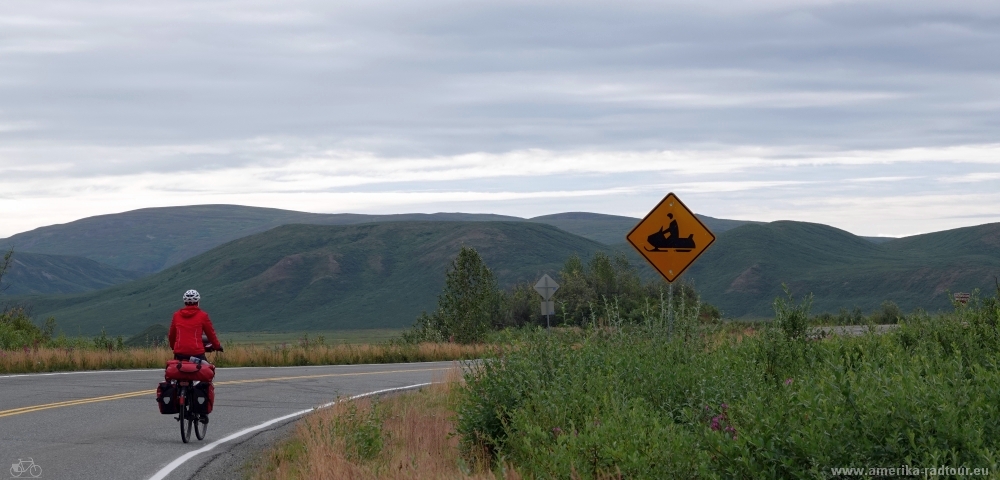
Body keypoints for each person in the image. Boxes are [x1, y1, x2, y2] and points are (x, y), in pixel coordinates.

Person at [168, 289, 223, 362]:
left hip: (179, 352)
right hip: (197, 353)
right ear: (197, 302)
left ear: (185, 302)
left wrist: (173, 347)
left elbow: (172, 335)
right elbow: (211, 334)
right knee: (207, 371)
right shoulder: (203, 316)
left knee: (177, 369)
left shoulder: (176, 315)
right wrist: (217, 346)